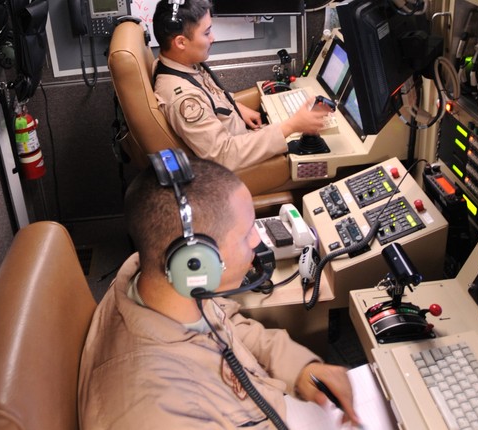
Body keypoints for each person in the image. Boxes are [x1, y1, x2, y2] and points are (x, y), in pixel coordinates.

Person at [78, 153, 360, 428]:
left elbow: (227, 324)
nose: (257, 241)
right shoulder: (158, 412)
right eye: (246, 232)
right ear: (195, 263)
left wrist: (301, 369)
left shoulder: (164, 287)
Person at [152, 0, 333, 171]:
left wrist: (234, 107)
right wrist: (291, 126)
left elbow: (209, 96)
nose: (212, 38)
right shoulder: (183, 98)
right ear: (181, 42)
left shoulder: (180, 64)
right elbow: (223, 155)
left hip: (242, 138)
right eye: (206, 33)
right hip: (236, 166)